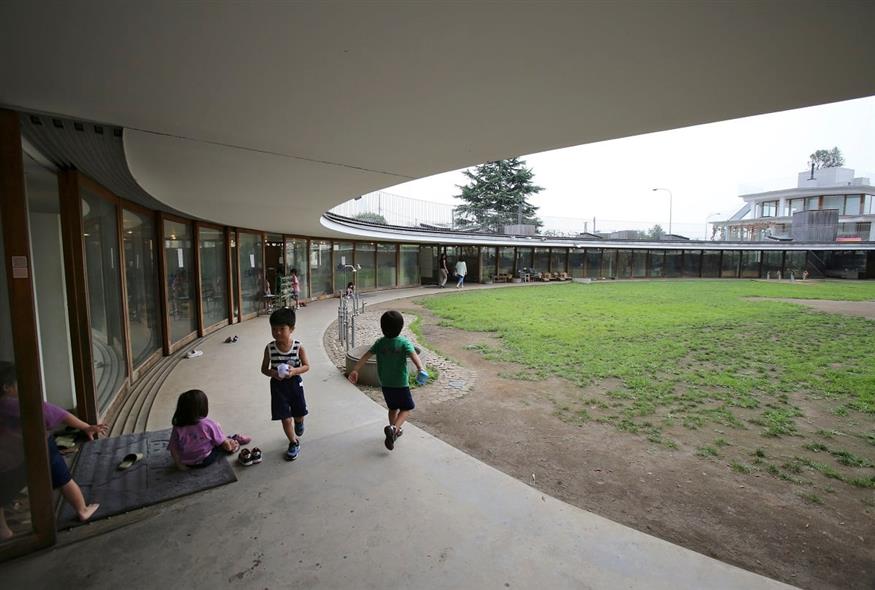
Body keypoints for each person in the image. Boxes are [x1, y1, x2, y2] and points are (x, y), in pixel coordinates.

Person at [0, 362, 107, 538]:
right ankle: (82, 509)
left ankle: (3, 530)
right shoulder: (23, 404)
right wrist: (87, 427)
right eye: (18, 383)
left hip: (10, 458)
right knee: (63, 479)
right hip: (40, 447)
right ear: (7, 387)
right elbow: (60, 415)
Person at [347, 311, 427, 451]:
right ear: (401, 327)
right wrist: (420, 369)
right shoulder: (403, 342)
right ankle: (394, 428)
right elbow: (414, 355)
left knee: (392, 408)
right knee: (407, 408)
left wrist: (355, 369)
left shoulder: (380, 343)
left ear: (382, 327)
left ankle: (392, 432)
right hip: (401, 384)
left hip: (385, 383)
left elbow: (366, 355)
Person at [261, 307, 310, 461]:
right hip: (278, 387)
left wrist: (295, 371)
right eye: (274, 329)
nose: (277, 332)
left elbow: (307, 366)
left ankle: (299, 422)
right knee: (285, 417)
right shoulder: (269, 348)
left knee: (299, 413)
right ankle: (293, 442)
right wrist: (273, 373)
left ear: (292, 329)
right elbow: (264, 369)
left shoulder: (298, 347)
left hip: (295, 384)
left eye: (282, 329)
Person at [168, 389, 253, 469]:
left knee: (211, 438)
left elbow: (173, 448)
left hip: (187, 463)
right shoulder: (208, 424)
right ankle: (235, 439)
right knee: (222, 444)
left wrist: (179, 464)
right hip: (206, 460)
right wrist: (231, 447)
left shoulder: (177, 427)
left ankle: (230, 439)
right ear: (203, 407)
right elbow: (225, 444)